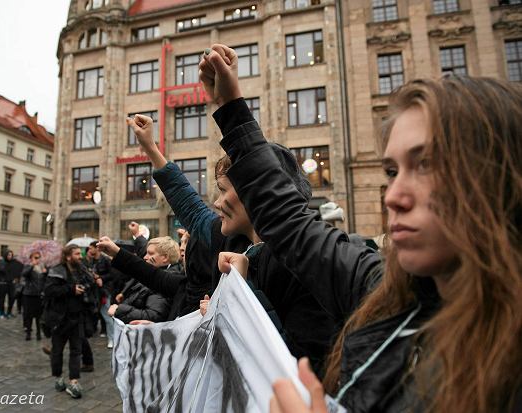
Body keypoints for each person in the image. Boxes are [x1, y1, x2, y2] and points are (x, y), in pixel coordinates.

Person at [200, 44, 522, 412]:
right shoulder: (383, 289)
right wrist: (231, 110)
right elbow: (291, 226)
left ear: (500, 177)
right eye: (391, 171)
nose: (393, 196)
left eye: (427, 164)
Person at [126, 114, 339, 372]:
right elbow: (190, 208)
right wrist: (150, 147)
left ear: (258, 194)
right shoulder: (232, 238)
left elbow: (300, 368)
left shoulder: (306, 263)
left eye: (224, 190)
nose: (216, 203)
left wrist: (235, 307)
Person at [43, 245, 96, 399]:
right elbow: (50, 291)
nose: (80, 256)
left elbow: (89, 284)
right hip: (59, 318)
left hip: (77, 317)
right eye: (77, 254)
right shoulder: (57, 270)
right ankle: (58, 377)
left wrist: (92, 281)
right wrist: (71, 289)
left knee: (76, 351)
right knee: (57, 351)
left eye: (81, 254)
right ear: (68, 256)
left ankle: (74, 381)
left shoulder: (81, 269)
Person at [98, 235, 186, 323]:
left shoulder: (165, 282)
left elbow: (154, 316)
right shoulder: (157, 275)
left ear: (165, 258)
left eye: (150, 253)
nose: (145, 257)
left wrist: (119, 310)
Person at [84, 241, 114, 348]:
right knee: (101, 314)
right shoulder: (91, 261)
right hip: (95, 292)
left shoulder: (105, 260)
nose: (89, 250)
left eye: (91, 248)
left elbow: (112, 274)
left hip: (105, 291)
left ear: (96, 248)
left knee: (108, 316)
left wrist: (101, 278)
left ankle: (112, 339)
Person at [21, 253, 47, 341]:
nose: (38, 259)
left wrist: (45, 272)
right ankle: (28, 333)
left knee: (39, 315)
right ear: (31, 258)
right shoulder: (28, 266)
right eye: (36, 257)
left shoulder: (42, 267)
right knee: (29, 315)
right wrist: (32, 265)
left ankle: (38, 333)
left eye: (39, 257)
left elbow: (45, 280)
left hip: (39, 295)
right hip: (29, 294)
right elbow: (24, 274)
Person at [0, 250, 22, 319]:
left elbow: (18, 270)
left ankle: (9, 312)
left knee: (12, 298)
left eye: (11, 255)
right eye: (8, 255)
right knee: (1, 299)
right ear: (5, 255)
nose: (10, 256)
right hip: (2, 283)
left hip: (11, 283)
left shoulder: (14, 263)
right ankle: (1, 312)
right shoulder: (1, 262)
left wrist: (17, 277)